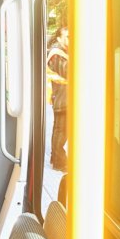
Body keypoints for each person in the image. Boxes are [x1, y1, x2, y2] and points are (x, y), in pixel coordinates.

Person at [46, 26, 69, 172]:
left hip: (61, 97)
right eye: (67, 36)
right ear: (59, 37)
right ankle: (60, 162)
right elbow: (67, 71)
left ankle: (56, 159)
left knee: (59, 130)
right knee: (61, 131)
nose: (70, 40)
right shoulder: (57, 54)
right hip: (62, 98)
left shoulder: (60, 52)